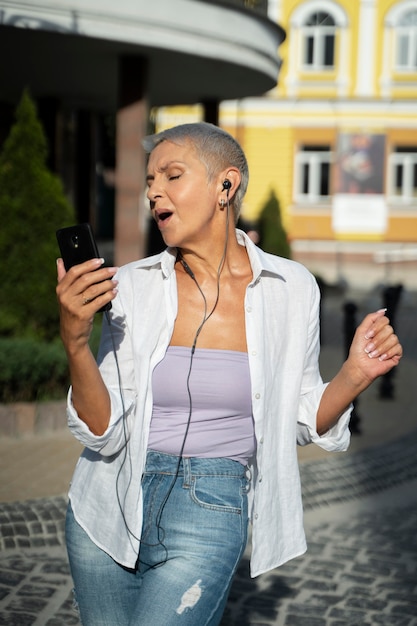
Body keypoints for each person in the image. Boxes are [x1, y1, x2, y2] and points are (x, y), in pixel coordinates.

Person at [56, 122, 402, 626]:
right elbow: (102, 431)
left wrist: (353, 374)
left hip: (211, 507)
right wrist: (74, 341)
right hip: (106, 504)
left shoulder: (291, 287)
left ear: (226, 185)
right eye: (151, 180)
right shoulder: (130, 287)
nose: (155, 191)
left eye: (173, 176)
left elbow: (302, 422)